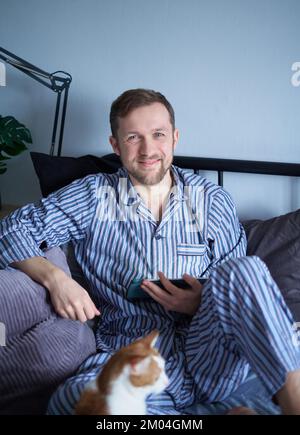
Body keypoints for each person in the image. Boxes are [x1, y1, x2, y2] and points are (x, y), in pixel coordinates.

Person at [0, 88, 299, 415]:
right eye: (132, 137)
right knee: (74, 401)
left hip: (213, 353)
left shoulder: (212, 199)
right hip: (131, 352)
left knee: (245, 270)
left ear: (174, 137)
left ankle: (293, 397)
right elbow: (12, 229)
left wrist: (201, 301)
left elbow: (240, 286)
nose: (147, 149)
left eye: (158, 134)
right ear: (115, 145)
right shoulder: (94, 196)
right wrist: (56, 278)